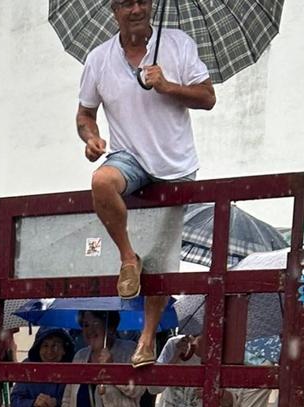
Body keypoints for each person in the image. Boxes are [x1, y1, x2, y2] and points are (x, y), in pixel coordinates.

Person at [76, 0, 215, 367]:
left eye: (142, 1)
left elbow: (207, 97)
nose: (135, 9)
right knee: (102, 182)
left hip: (175, 162)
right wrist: (90, 137)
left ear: (152, 5)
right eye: (125, 3)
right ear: (113, 10)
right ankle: (127, 257)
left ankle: (148, 336)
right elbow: (85, 113)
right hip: (129, 156)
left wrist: (167, 85)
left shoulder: (178, 43)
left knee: (163, 251)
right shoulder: (99, 59)